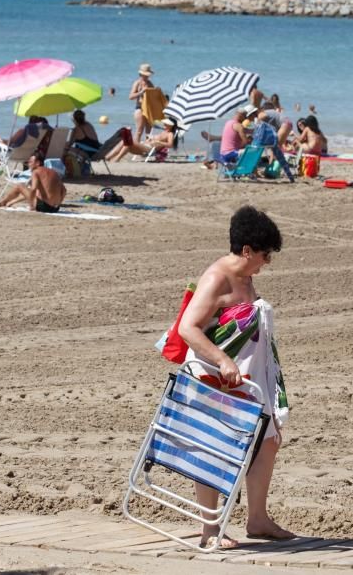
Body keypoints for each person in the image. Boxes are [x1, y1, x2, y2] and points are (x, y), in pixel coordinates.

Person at [177, 205, 293, 550]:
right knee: (214, 445)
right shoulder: (217, 278)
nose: (267, 262)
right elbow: (188, 328)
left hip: (249, 377)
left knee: (268, 440)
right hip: (214, 375)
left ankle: (257, 519)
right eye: (264, 254)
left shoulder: (246, 275)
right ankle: (209, 529)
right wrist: (223, 360)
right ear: (246, 251)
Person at [0, 154, 65, 212]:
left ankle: (3, 202)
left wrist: (32, 206)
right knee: (33, 192)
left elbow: (33, 189)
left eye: (30, 162)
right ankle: (9, 202)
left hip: (45, 207)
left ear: (38, 163)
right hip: (55, 208)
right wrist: (58, 202)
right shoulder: (53, 172)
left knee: (19, 186)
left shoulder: (36, 172)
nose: (28, 164)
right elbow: (64, 190)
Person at [107, 119, 176, 161]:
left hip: (149, 149)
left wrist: (159, 142)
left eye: (166, 123)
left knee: (128, 141)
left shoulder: (170, 134)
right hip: (144, 145)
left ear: (170, 125)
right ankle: (109, 158)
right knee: (124, 142)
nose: (164, 124)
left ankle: (115, 159)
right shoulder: (164, 132)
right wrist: (151, 138)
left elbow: (170, 145)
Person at [130, 64, 155, 142]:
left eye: (148, 75)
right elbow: (131, 97)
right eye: (146, 75)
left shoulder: (150, 83)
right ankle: (136, 149)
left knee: (149, 132)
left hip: (149, 109)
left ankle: (147, 150)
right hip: (139, 108)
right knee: (139, 131)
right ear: (141, 74)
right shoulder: (137, 83)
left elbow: (153, 97)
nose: (148, 76)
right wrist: (141, 92)